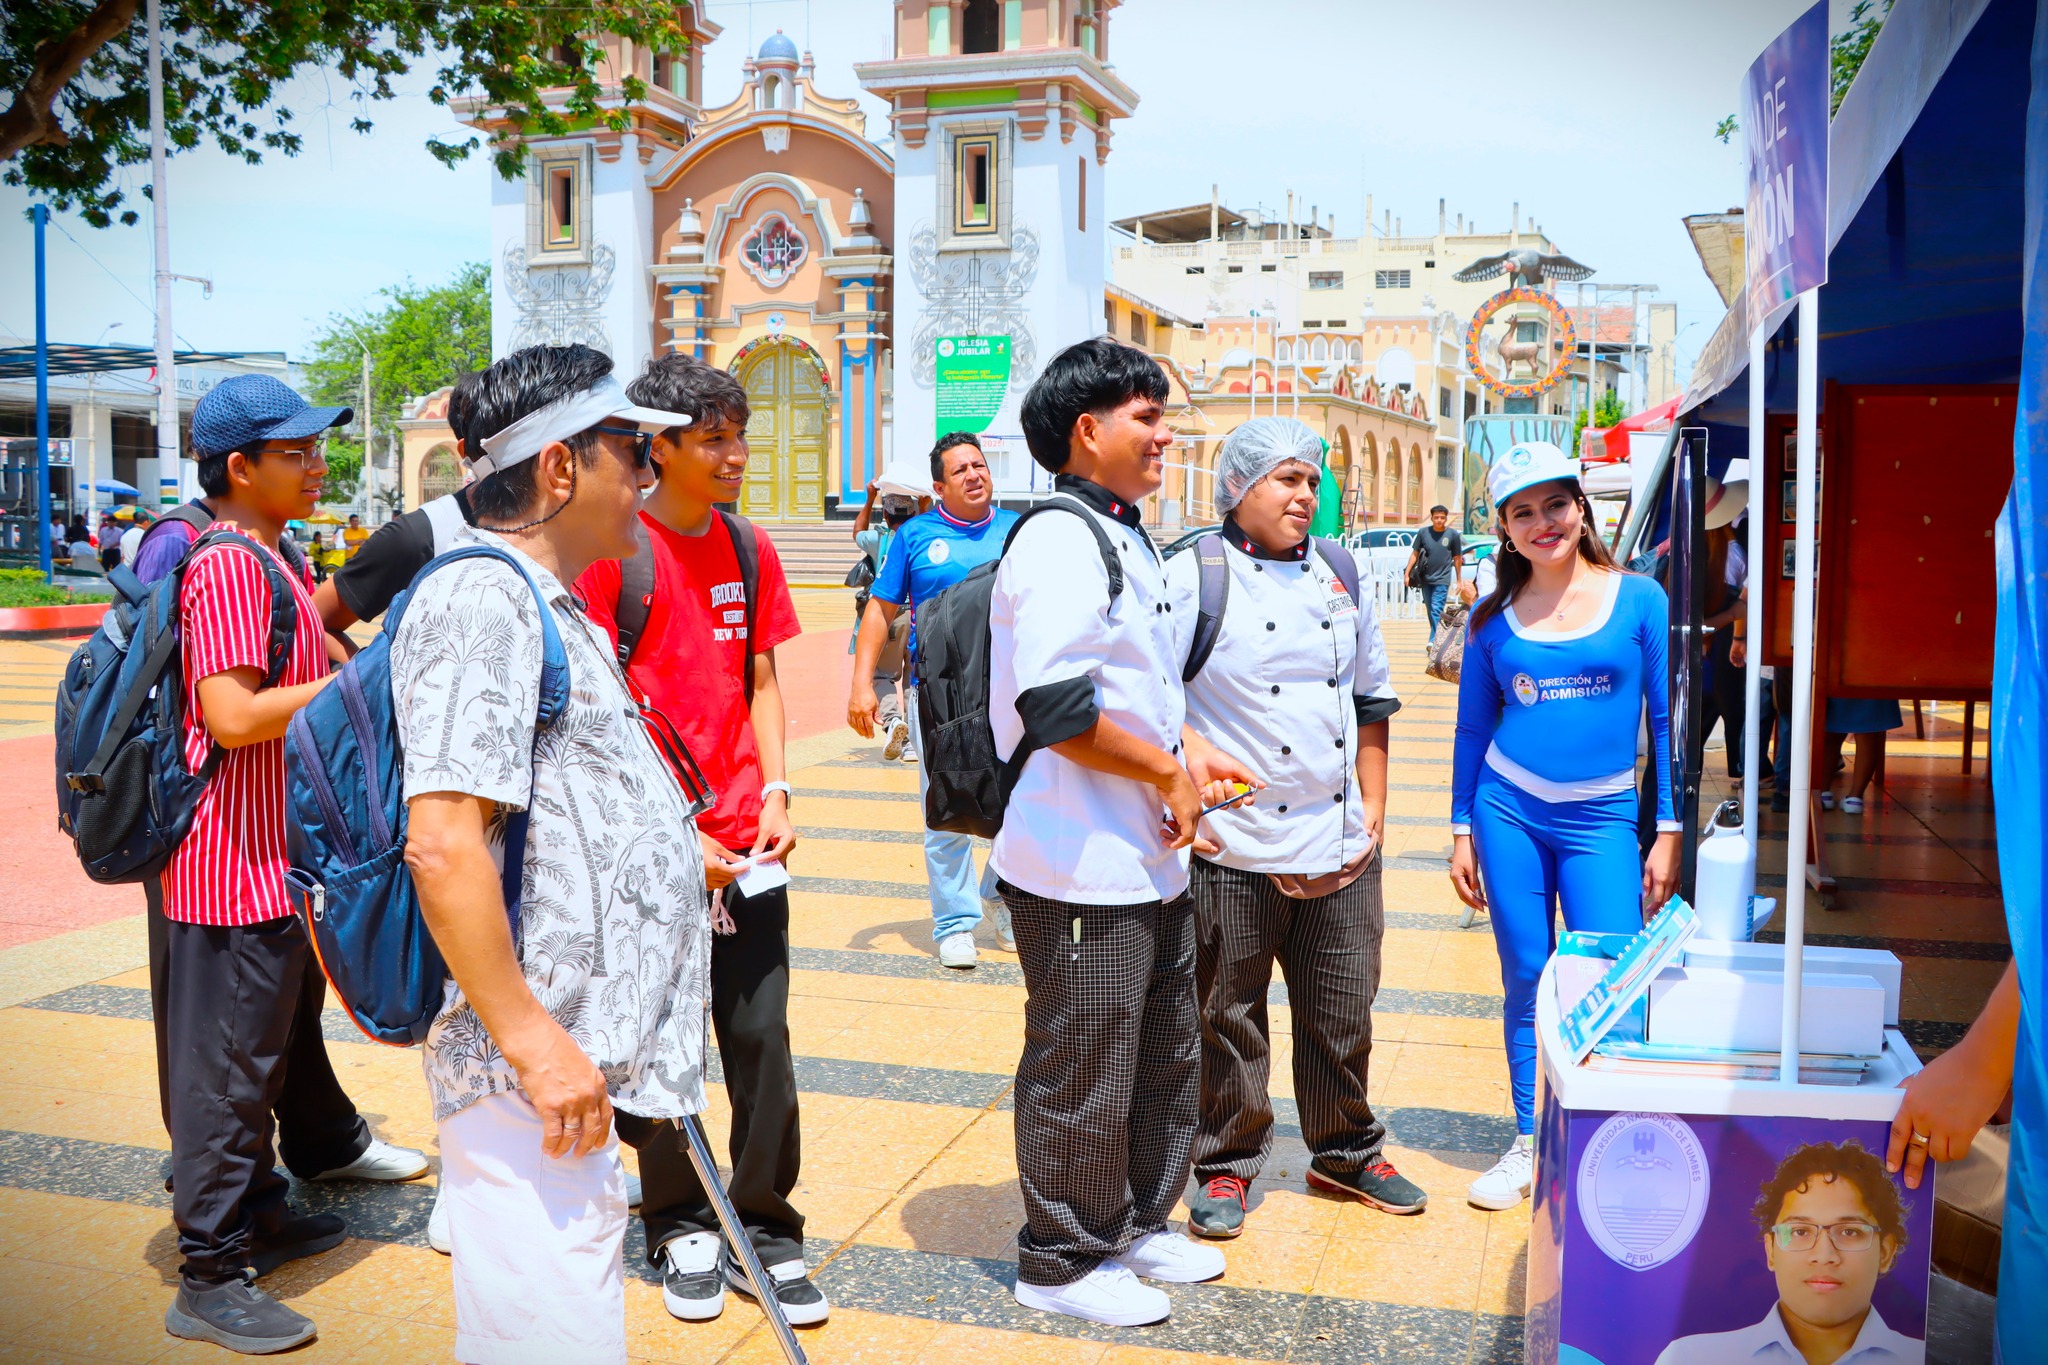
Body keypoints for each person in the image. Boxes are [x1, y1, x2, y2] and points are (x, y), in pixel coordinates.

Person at [393, 344, 712, 1363]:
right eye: (634, 454)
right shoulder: (479, 598)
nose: (649, 480)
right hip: (524, 1064)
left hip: (568, 1055)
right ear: (560, 469)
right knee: (547, 1331)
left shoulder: (547, 601)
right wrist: (532, 1042)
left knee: (555, 1314)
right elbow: (441, 843)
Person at [991, 337, 1258, 1327]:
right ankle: (1059, 1260)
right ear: (1084, 429)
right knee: (1082, 1061)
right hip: (1073, 862)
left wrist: (1187, 760)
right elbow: (1056, 707)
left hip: (1143, 857)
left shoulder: (1126, 535)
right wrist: (1165, 773)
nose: (1162, 433)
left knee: (1159, 1053)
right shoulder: (1059, 538)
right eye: (1144, 416)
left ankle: (1137, 1223)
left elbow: (1145, 686)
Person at [573, 354, 824, 1328]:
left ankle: (764, 1224)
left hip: (748, 847)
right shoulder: (612, 554)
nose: (735, 453)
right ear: (661, 445)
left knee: (759, 1037)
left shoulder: (750, 548)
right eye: (712, 437)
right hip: (657, 856)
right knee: (660, 1044)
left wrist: (779, 792)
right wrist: (669, 844)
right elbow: (597, 714)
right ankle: (679, 1218)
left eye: (738, 433)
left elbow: (759, 681)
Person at [155, 374, 401, 1354]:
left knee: (257, 1062)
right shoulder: (228, 566)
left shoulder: (275, 556)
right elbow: (230, 714)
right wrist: (351, 684)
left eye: (315, 448)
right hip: (228, 869)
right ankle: (209, 1274)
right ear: (238, 467)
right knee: (225, 1075)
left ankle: (257, 1208)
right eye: (294, 453)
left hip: (271, 866)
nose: (315, 465)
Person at [1168, 418, 1425, 1242]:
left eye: (1311, 480)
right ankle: (1225, 1162)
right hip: (1234, 847)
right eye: (1284, 479)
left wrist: (1374, 806)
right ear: (1237, 489)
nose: (1303, 495)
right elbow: (1147, 700)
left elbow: (1372, 698)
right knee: (1228, 1014)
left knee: (1343, 1012)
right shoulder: (1192, 576)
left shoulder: (1339, 572)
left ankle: (1346, 1148)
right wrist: (1182, 802)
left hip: (1340, 841)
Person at [1448, 441, 1680, 1212]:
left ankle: (1611, 1130)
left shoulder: (1641, 598)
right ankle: (1530, 1137)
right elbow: (1472, 731)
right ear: (1505, 530)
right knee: (1526, 973)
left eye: (1555, 504)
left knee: (1615, 979)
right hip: (1507, 807)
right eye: (1523, 512)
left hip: (1603, 817)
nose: (1543, 522)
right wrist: (1460, 830)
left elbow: (1663, 718)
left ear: (1581, 509)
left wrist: (1669, 828)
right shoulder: (1491, 620)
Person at [848, 432, 1020, 969]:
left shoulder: (1017, 531)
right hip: (939, 693)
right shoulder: (915, 536)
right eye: (960, 470)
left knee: (1021, 805)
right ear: (939, 486)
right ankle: (955, 922)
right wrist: (861, 684)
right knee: (948, 806)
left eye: (980, 465)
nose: (974, 475)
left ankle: (1000, 893)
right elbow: (880, 609)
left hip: (1011, 690)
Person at [1654, 1141, 1923, 1365]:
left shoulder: (1918, 1357)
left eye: (1850, 1231)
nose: (1824, 1255)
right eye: (1800, 1231)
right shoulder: (1692, 1358)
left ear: (1885, 1252)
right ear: (1771, 1250)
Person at [848, 482, 918, 760]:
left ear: (886, 516)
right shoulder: (920, 536)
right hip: (916, 615)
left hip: (888, 615)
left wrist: (869, 500)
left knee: (883, 675)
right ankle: (913, 740)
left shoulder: (879, 540)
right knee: (914, 677)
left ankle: (892, 722)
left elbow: (856, 532)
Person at [1820, 697, 1903, 815]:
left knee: (1830, 727)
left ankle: (1822, 792)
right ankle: (1855, 798)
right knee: (1869, 730)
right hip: (1873, 683)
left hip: (1835, 684)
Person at [1404, 503, 1463, 645]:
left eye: (1442, 518)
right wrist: (1407, 573)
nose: (1439, 520)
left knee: (1436, 609)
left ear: (1446, 519)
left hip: (1442, 579)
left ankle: (1434, 641)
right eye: (1436, 517)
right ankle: (1439, 635)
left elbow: (1457, 558)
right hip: (1425, 579)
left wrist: (1459, 580)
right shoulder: (1423, 533)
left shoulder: (1453, 535)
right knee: (1431, 610)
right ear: (1431, 518)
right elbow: (1415, 554)